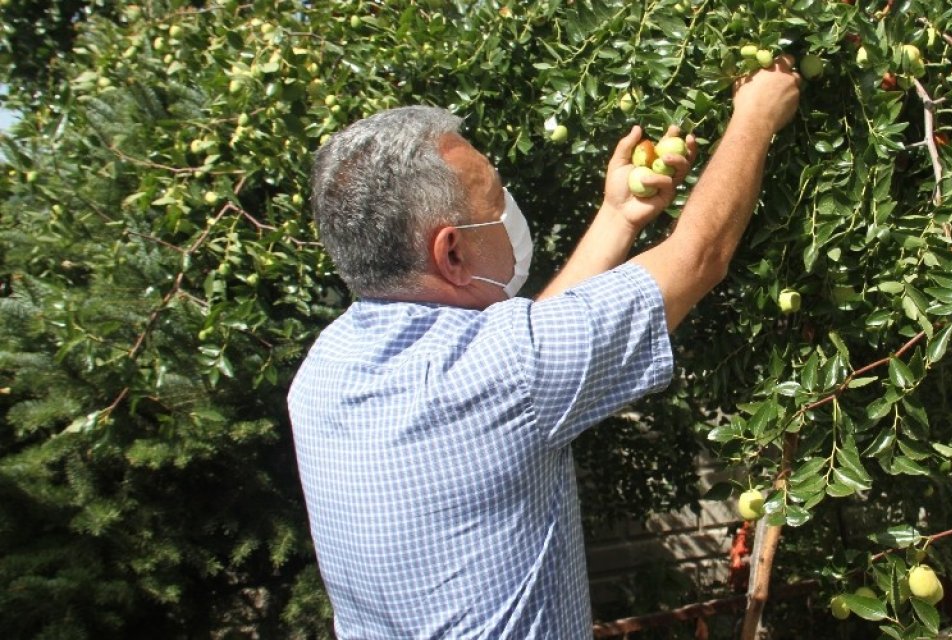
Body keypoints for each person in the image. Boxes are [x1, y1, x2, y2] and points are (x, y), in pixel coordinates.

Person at [287, 57, 801, 639]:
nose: (509, 214)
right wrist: (756, 116)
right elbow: (697, 257)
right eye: (496, 203)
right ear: (451, 253)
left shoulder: (321, 374)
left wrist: (618, 217)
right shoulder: (507, 372)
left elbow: (525, 353)